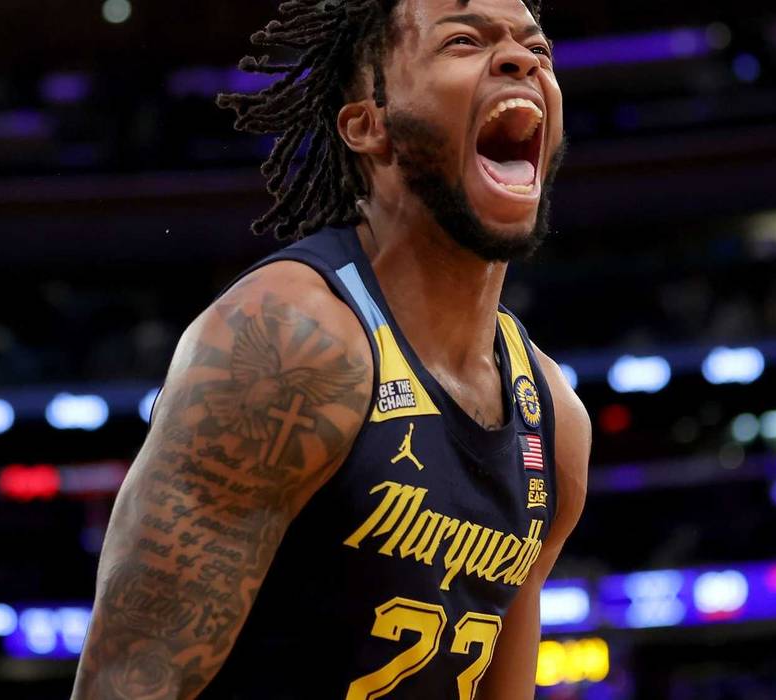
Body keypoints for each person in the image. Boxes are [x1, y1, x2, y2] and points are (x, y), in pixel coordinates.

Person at [71, 0, 587, 696]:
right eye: (464, 41)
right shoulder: (289, 342)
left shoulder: (553, 420)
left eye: (538, 50)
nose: (521, 60)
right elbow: (123, 687)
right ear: (368, 125)